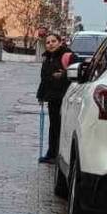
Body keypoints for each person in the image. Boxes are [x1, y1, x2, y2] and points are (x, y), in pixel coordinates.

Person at [36, 33, 74, 164]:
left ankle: (60, 155)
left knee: (62, 127)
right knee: (54, 127)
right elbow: (44, 80)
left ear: (60, 42)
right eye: (48, 42)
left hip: (66, 99)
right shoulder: (47, 59)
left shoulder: (68, 56)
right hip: (53, 99)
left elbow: (78, 72)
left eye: (53, 41)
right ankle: (52, 154)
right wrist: (41, 95)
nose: (50, 44)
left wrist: (63, 75)